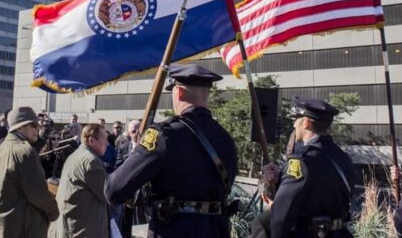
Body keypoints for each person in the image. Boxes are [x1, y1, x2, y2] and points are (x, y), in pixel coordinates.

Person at [105, 64, 238, 238]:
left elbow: (114, 191)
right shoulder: (226, 138)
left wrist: (138, 154)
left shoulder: (163, 135)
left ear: (179, 93)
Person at [252, 97, 355, 238]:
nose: (294, 125)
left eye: (296, 119)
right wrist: (282, 176)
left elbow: (280, 218)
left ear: (306, 123)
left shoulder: (301, 162)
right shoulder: (343, 158)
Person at [0, 106, 59, 237]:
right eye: (33, 124)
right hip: (24, 227)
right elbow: (38, 193)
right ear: (19, 127)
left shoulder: (2, 148)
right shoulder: (25, 151)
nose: (38, 128)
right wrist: (53, 212)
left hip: (5, 225)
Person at [49, 123, 110, 238]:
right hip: (81, 230)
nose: (107, 143)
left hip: (72, 227)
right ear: (91, 141)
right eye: (104, 140)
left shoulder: (76, 155)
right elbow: (108, 193)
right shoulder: (91, 161)